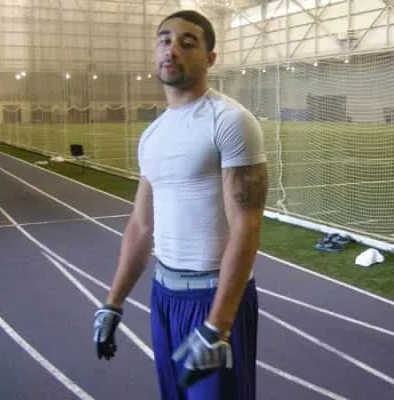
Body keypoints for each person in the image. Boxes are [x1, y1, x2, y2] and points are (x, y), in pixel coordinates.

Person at [93, 9, 268, 400]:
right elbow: (141, 226)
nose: (172, 50)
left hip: (213, 298)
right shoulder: (153, 135)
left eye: (187, 43)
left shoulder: (229, 121)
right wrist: (112, 303)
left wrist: (217, 324)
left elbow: (247, 225)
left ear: (210, 58)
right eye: (164, 41)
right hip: (164, 295)